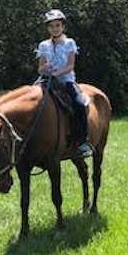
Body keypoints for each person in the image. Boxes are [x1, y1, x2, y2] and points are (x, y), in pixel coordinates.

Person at [35, 9, 93, 158]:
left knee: (79, 104)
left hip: (66, 81)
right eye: (52, 26)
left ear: (63, 27)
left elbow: (70, 66)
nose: (55, 28)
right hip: (47, 81)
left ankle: (83, 141)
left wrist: (55, 74)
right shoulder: (43, 46)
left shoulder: (69, 43)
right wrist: (45, 69)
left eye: (57, 25)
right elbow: (39, 68)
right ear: (48, 28)